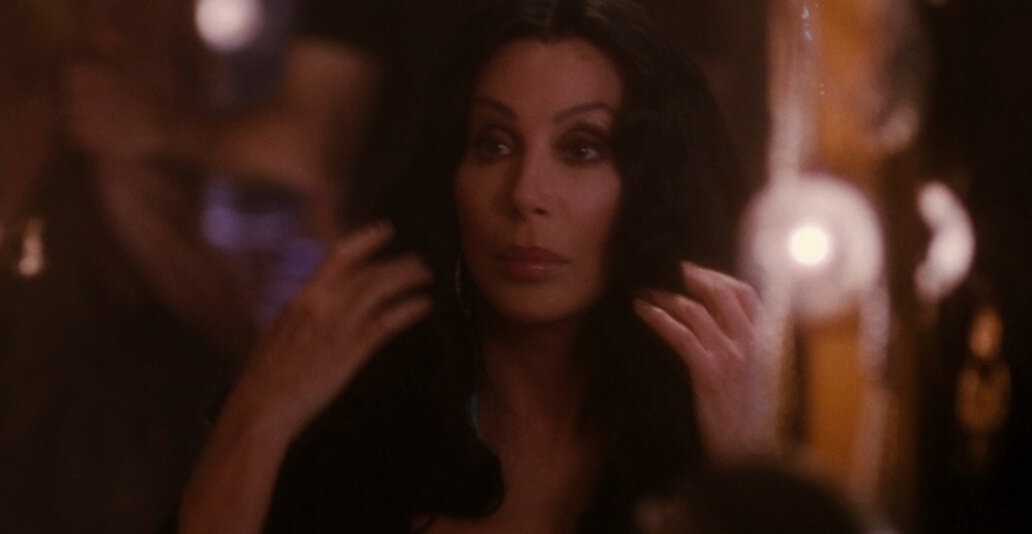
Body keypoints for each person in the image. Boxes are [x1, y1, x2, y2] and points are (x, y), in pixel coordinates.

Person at [178, 0, 765, 532]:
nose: (525, 193)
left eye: (581, 148)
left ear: (653, 187)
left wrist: (753, 474)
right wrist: (259, 413)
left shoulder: (719, 426)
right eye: (495, 144)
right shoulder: (361, 423)